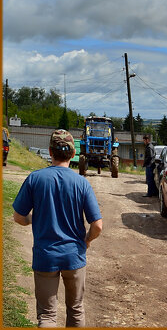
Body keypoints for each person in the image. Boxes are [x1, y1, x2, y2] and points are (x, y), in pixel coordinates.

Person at [12, 128, 103, 328]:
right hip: (74, 256)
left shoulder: (35, 179)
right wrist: (86, 240)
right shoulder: (82, 183)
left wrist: (31, 221)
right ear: (72, 154)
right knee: (76, 309)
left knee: (46, 316)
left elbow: (18, 216)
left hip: (45, 256)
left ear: (50, 152)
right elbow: (97, 225)